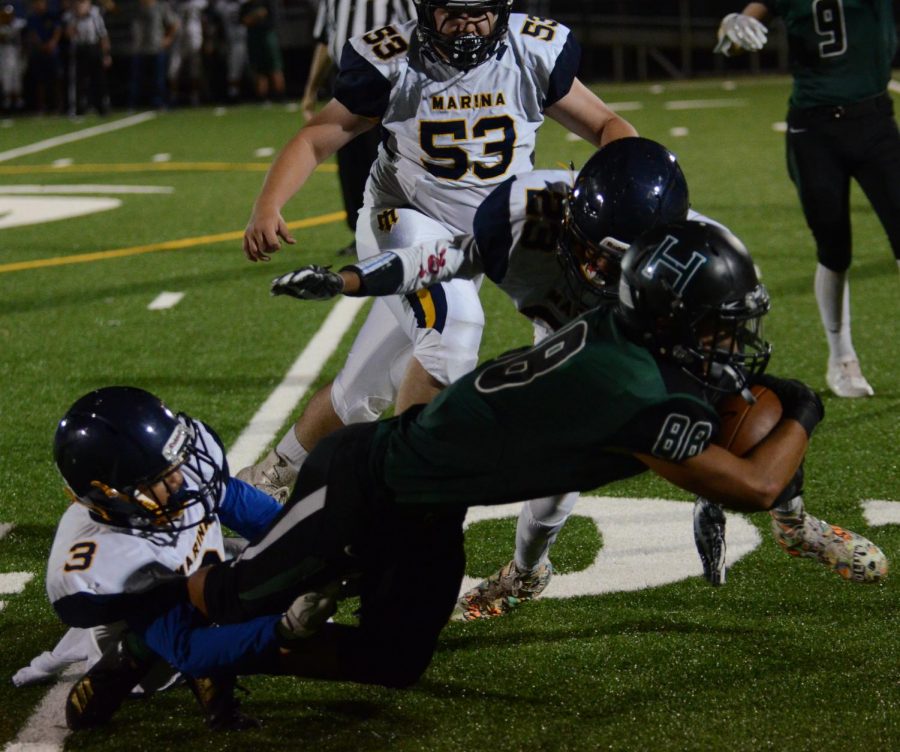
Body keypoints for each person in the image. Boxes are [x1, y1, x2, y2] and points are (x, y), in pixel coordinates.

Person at [189, 220, 885, 687]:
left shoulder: (626, 331)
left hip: (430, 506)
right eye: (719, 328)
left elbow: (711, 409)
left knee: (393, 663)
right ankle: (178, 517)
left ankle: (268, 635)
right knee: (221, 599)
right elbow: (754, 485)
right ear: (672, 322)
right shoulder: (631, 387)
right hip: (366, 481)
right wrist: (803, 405)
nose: (732, 344)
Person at [236, 0, 637, 503]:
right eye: (451, 11)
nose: (465, 24)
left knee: (362, 392)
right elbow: (318, 136)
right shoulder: (393, 59)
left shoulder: (531, 48)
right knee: (454, 330)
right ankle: (408, 499)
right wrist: (268, 203)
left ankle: (272, 474)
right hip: (404, 218)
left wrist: (625, 183)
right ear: (426, 10)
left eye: (479, 12)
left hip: (487, 236)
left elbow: (606, 124)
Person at [47, 386, 285, 730]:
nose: (179, 476)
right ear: (112, 494)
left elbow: (241, 504)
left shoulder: (167, 471)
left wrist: (311, 544)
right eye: (160, 476)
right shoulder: (109, 557)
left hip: (204, 576)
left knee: (285, 559)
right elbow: (186, 647)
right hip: (162, 649)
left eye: (174, 462)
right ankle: (128, 656)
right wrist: (282, 630)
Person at [715, 1, 900, 398]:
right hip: (814, 130)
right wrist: (732, 29)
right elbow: (735, 37)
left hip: (875, 122)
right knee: (834, 248)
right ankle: (841, 358)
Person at [301, 0, 415, 257]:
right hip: (346, 82)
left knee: (387, 162)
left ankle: (400, 230)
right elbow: (325, 40)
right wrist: (311, 88)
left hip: (387, 83)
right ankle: (362, 234)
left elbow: (418, 29)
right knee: (351, 165)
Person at [129, 0, 179, 110]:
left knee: (158, 80)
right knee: (137, 80)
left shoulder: (161, 7)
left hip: (156, 48)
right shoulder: (137, 8)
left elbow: (175, 23)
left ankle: (158, 102)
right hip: (139, 49)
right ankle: (135, 104)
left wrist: (168, 39)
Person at [64, 0, 111, 116]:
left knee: (98, 79)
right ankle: (79, 108)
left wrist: (106, 54)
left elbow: (103, 36)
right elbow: (68, 35)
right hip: (80, 49)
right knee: (79, 80)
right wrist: (76, 20)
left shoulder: (95, 14)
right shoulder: (72, 16)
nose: (80, 5)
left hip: (93, 48)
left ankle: (101, 107)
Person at [239, 0, 284, 102]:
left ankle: (280, 96)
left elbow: (273, 21)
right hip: (254, 39)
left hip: (268, 36)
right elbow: (244, 21)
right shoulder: (247, 5)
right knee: (258, 70)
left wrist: (253, 18)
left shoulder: (268, 3)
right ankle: (262, 97)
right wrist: (256, 16)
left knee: (275, 67)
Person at [25, 0, 63, 114]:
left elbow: (58, 30)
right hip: (39, 52)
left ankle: (58, 106)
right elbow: (33, 34)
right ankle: (41, 107)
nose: (39, 5)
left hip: (52, 52)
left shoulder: (52, 16)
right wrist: (41, 45)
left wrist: (52, 43)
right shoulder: (32, 19)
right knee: (40, 81)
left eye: (41, 3)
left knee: (56, 79)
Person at [0, 4, 26, 112]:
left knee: (17, 79)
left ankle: (18, 103)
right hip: (4, 54)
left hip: (17, 54)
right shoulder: (1, 27)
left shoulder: (19, 24)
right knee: (6, 79)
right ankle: (8, 103)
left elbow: (24, 27)